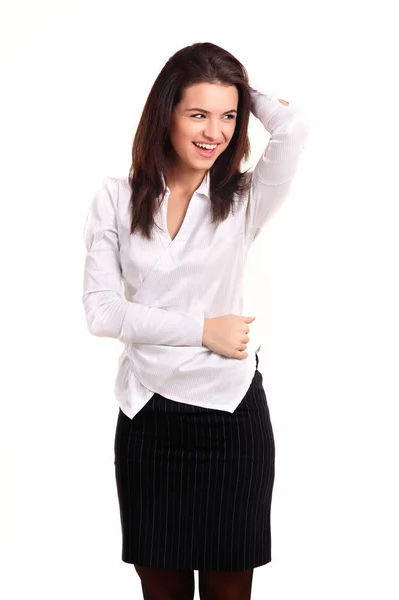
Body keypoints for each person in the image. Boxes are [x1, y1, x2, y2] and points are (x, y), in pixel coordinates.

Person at [82, 42, 309, 600]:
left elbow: (296, 126)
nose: (216, 132)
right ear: (167, 113)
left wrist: (239, 84)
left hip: (232, 420)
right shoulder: (115, 199)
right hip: (148, 419)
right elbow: (102, 312)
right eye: (198, 113)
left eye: (229, 116)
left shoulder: (244, 199)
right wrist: (203, 330)